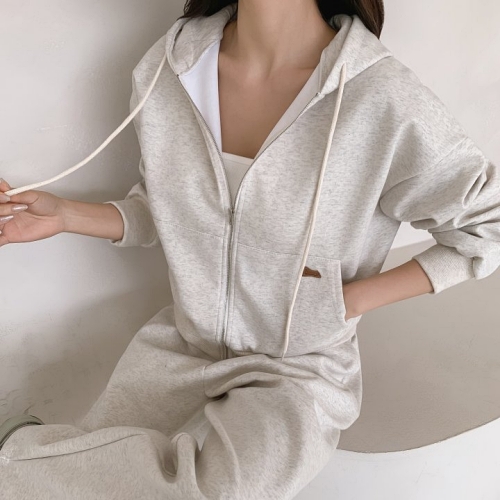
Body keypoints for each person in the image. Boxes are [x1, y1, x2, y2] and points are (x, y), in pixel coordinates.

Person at [1, 1, 499, 498]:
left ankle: (15, 451)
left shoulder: (381, 97)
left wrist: (345, 302)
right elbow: (171, 210)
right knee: (72, 478)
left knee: (220, 491)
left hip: (298, 368)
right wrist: (66, 216)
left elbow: (488, 224)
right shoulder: (168, 71)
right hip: (183, 344)